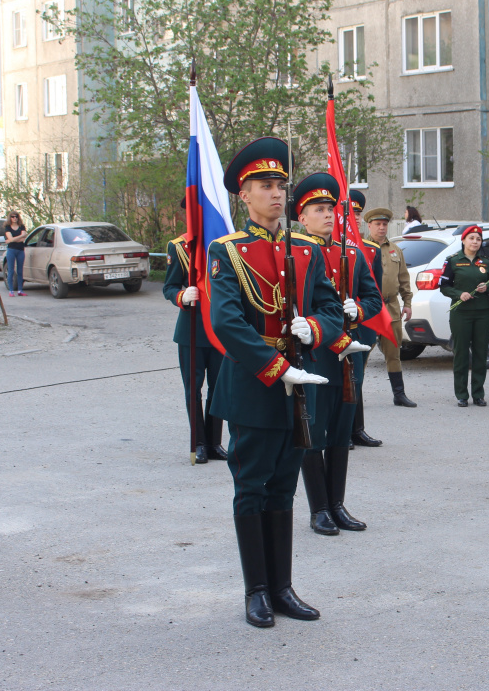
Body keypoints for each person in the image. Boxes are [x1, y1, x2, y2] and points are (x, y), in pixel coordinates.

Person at [207, 136, 344, 627]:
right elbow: (226, 322)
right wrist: (275, 366)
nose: (277, 193)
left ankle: (283, 587)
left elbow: (329, 306)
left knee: (284, 487)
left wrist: (317, 328)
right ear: (244, 195)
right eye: (265, 185)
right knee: (252, 487)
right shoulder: (226, 251)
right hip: (254, 387)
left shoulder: (306, 250)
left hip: (299, 384)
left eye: (281, 185)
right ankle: (257, 590)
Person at [292, 174, 377, 535]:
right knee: (313, 430)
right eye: (319, 210)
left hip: (347, 354)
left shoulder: (353, 255)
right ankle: (319, 509)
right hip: (314, 355)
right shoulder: (294, 253)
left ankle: (337, 503)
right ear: (302, 216)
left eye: (331, 209)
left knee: (342, 430)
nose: (328, 215)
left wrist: (357, 309)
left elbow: (372, 298)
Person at [164, 199, 227, 465]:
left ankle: (214, 443)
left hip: (220, 328)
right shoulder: (178, 247)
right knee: (194, 389)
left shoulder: (223, 245)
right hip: (191, 329)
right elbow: (169, 287)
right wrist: (182, 295)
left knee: (218, 387)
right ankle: (198, 443)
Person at [363, 205, 419, 408]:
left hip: (391, 307)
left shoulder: (395, 250)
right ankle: (355, 395)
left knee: (394, 353)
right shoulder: (359, 248)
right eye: (377, 224)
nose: (381, 227)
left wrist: (408, 303)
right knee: (362, 353)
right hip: (368, 308)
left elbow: (403, 278)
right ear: (369, 225)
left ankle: (399, 394)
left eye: (385, 224)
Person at [438, 225, 489, 407]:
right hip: (461, 314)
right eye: (471, 238)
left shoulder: (485, 262)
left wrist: (487, 288)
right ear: (463, 240)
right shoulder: (453, 261)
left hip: (483, 313)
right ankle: (461, 394)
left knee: (480, 353)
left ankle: (478, 394)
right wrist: (458, 294)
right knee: (462, 353)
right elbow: (444, 287)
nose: (475, 242)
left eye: (478, 239)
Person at [346, 189, 385, 447]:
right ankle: (339, 430)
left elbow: (375, 292)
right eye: (351, 212)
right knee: (339, 378)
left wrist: (374, 324)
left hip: (362, 325)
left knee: (357, 379)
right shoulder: (315, 246)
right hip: (334, 325)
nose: (355, 218)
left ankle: (356, 429)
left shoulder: (370, 249)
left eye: (358, 213)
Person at [3, 211, 28, 297]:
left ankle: (20, 290)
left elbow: (23, 239)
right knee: (10, 270)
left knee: (20, 270)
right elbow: (12, 239)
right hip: (11, 250)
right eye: (13, 217)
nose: (14, 218)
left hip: (20, 250)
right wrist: (14, 239)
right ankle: (11, 290)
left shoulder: (22, 227)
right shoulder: (7, 228)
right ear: (10, 218)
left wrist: (12, 239)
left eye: (16, 216)